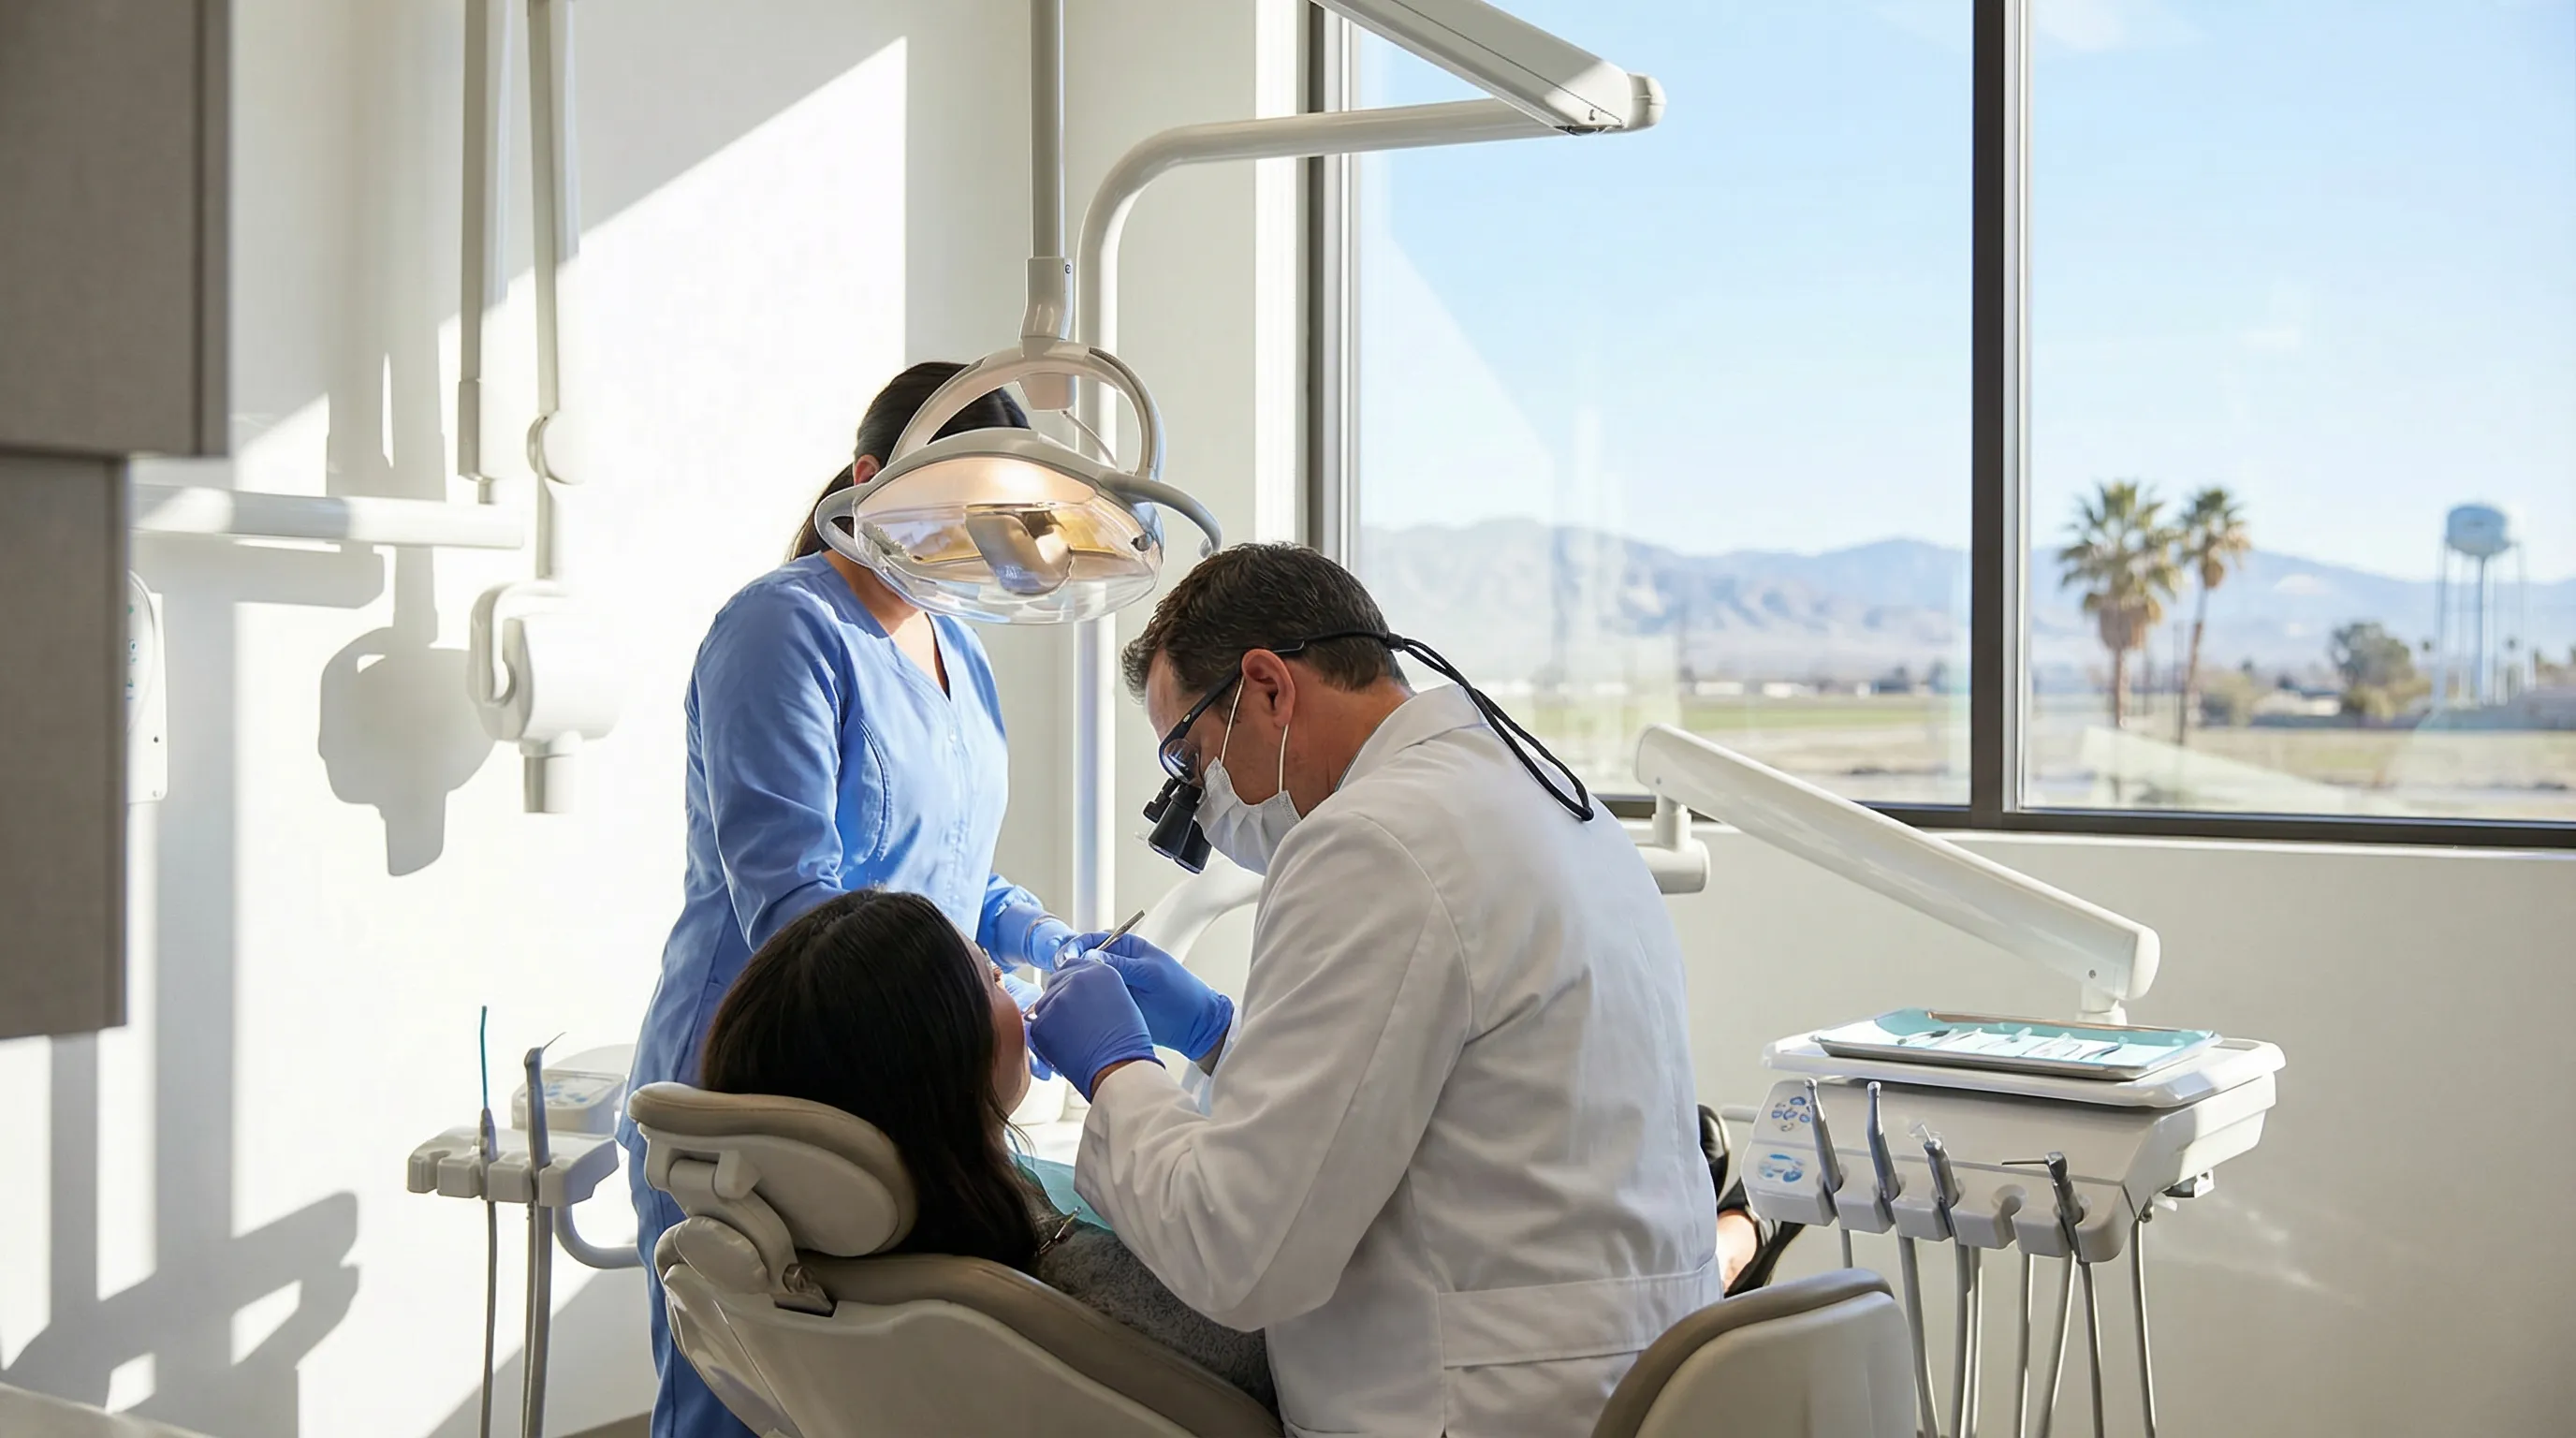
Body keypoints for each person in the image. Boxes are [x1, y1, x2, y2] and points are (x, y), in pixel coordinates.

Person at [1027, 544, 1750, 1437]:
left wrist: (1115, 1070)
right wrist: (1219, 1037)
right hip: (1632, 1383)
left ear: (1268, 688)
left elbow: (1241, 1252)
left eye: (1192, 758)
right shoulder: (1552, 802)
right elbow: (1454, 1097)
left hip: (1480, 1408)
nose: (1200, 804)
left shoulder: (1370, 841)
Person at [620, 362, 1082, 1438]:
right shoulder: (781, 630)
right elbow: (794, 901)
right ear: (869, 482)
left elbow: (954, 869)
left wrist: (1054, 945)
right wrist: (970, 1017)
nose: (969, 549)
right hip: (764, 1086)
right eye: (951, 513)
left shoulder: (961, 652)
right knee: (740, 1410)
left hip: (900, 1082)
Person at [694, 888, 1278, 1412]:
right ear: (944, 1065)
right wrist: (1146, 1059)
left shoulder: (830, 1269)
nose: (1011, 984)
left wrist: (1222, 1043)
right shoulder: (1080, 1283)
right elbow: (1283, 1321)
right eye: (992, 979)